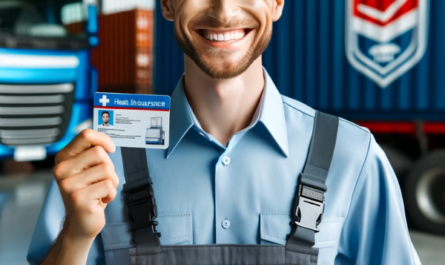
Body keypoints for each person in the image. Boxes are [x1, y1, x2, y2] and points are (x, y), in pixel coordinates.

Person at [27, 0, 422, 264]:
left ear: (277, 3)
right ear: (166, 3)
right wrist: (75, 236)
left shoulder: (351, 156)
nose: (223, 10)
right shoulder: (106, 156)